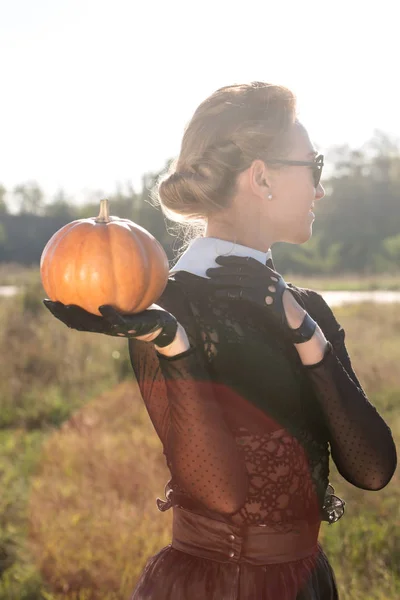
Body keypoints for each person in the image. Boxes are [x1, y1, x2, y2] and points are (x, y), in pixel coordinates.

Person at [44, 82, 397, 600]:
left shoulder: (307, 308)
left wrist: (304, 331)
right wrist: (173, 343)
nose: (321, 189)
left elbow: (373, 469)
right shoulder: (165, 308)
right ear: (261, 176)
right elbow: (220, 494)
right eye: (313, 166)